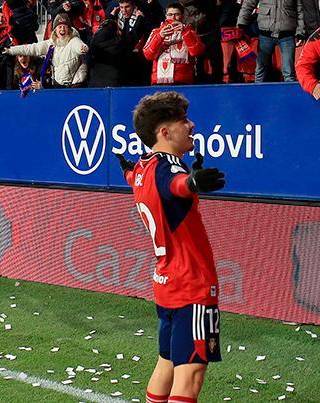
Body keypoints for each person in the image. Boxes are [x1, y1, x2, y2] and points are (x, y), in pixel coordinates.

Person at [119, 91, 225, 403]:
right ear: (164, 132)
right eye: (183, 121)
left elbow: (134, 178)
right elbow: (175, 186)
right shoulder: (172, 169)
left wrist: (127, 171)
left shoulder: (142, 167)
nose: (191, 126)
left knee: (166, 361)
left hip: (166, 285)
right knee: (190, 374)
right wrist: (192, 183)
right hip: (192, 285)